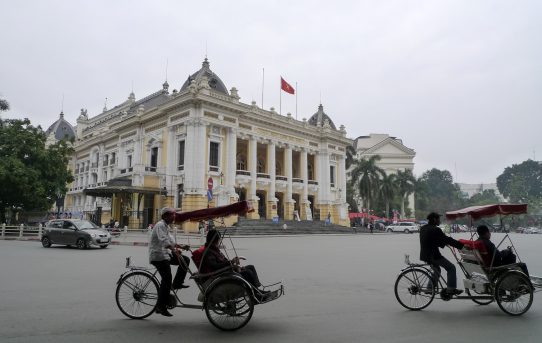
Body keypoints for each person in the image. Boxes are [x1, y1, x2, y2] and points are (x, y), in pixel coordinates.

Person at [149, 207, 190, 317]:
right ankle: (160, 306)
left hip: (165, 254)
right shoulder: (160, 225)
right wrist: (174, 250)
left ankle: (177, 283)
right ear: (165, 216)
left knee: (185, 260)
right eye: (172, 214)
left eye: (174, 214)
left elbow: (171, 241)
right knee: (167, 279)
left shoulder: (166, 226)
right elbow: (164, 241)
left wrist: (181, 246)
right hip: (158, 256)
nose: (174, 216)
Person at [420, 212, 465, 295]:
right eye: (438, 219)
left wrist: (443, 243)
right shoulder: (435, 229)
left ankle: (430, 288)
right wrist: (461, 246)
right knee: (451, 268)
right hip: (433, 256)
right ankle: (451, 289)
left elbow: (433, 240)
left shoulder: (423, 228)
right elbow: (446, 239)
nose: (439, 221)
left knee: (437, 270)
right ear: (434, 219)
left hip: (425, 255)